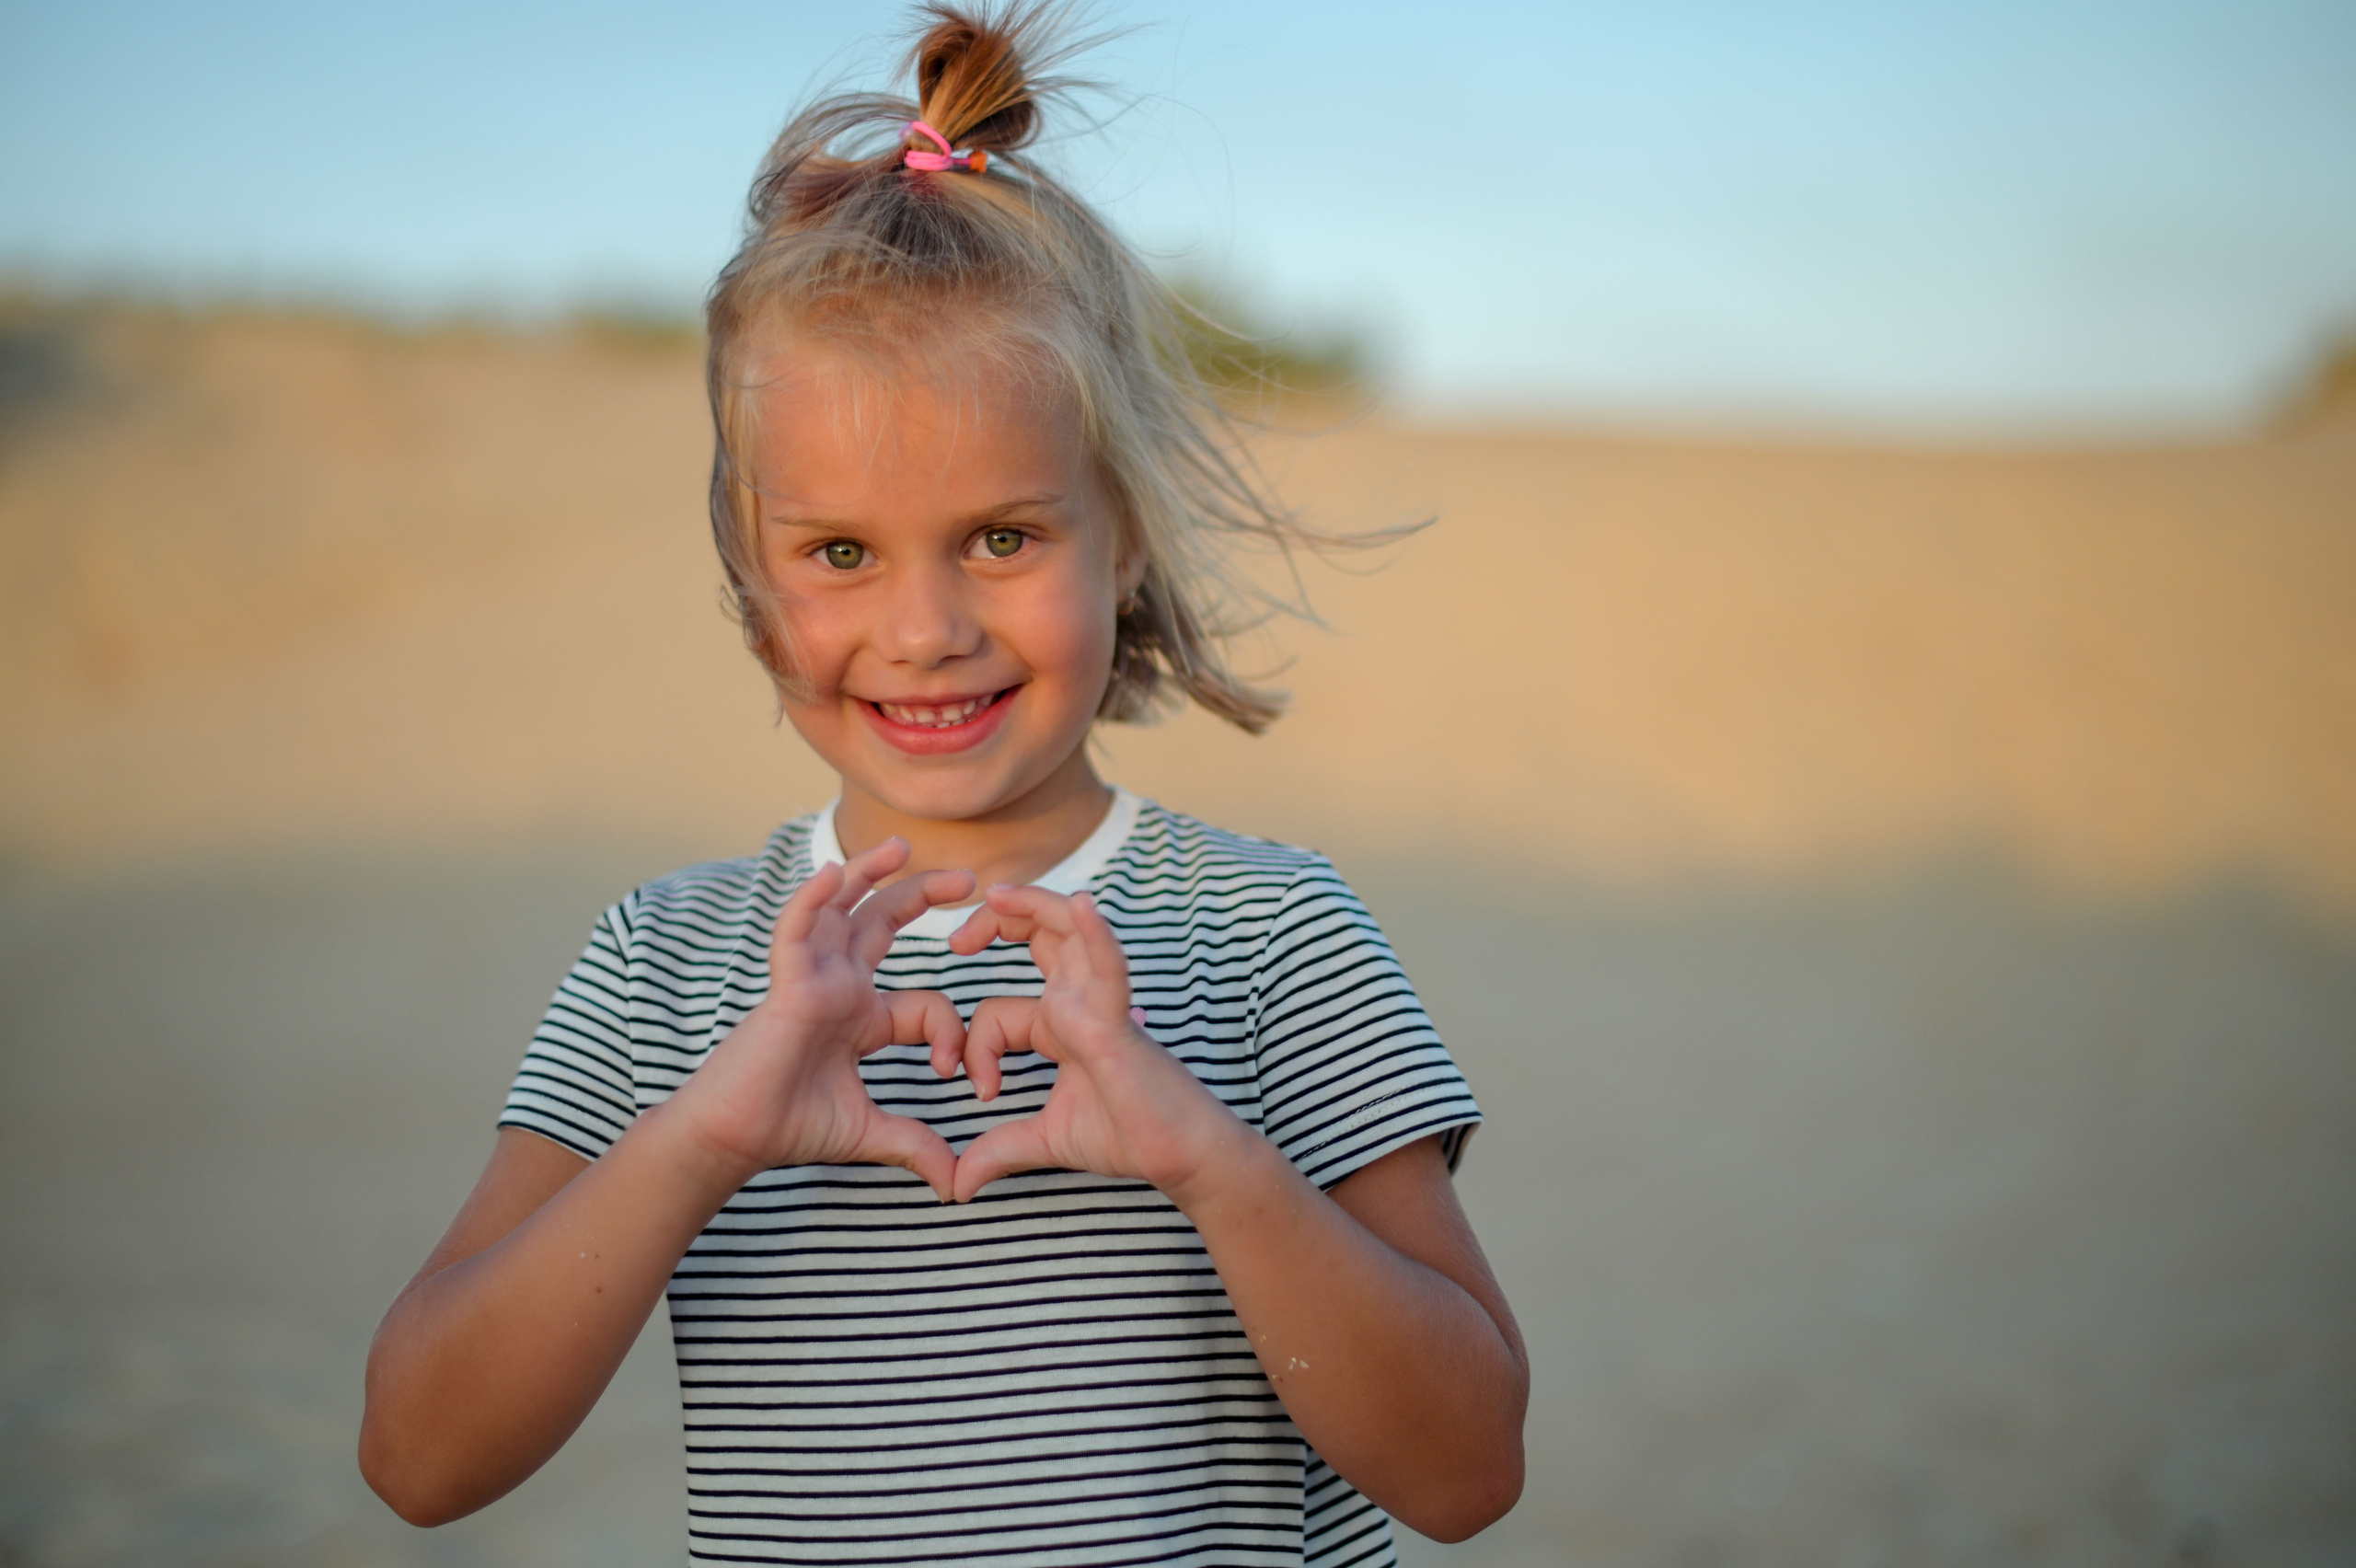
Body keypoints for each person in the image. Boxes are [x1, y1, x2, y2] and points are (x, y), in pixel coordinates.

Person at [358, 7, 1527, 1563]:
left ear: (1125, 548)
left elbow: (1463, 1476)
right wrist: (704, 1137)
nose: (925, 629)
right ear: (750, 585)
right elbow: (419, 1459)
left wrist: (1205, 1158)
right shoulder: (669, 966)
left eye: (1004, 537)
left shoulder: (1269, 934)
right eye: (839, 553)